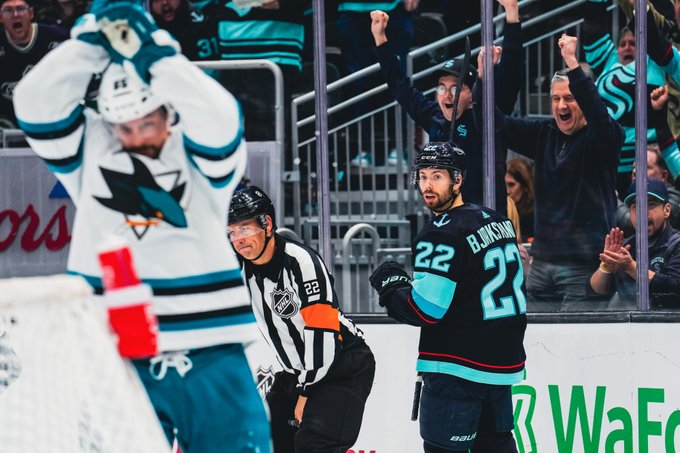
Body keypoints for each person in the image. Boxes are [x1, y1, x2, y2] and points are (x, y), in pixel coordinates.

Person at [13, 3, 271, 452]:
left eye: (146, 123)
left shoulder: (202, 159)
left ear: (169, 112)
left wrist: (154, 54)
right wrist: (91, 43)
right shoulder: (91, 151)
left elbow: (222, 116)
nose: (134, 136)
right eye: (124, 126)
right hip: (114, 356)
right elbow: (34, 103)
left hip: (211, 351)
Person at [369, 142, 527, 453]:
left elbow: (425, 310)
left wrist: (391, 287)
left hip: (456, 368)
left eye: (438, 176)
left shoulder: (440, 232)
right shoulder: (497, 220)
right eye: (422, 176)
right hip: (501, 364)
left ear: (458, 180)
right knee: (495, 446)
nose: (427, 186)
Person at [228, 185, 375, 453]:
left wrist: (306, 392)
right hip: (294, 373)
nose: (239, 239)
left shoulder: (301, 262)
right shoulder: (239, 272)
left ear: (267, 223)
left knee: (311, 445)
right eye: (232, 232)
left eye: (245, 228)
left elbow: (323, 333)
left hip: (342, 365)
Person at [483, 34, 624, 306]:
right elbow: (493, 123)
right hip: (542, 264)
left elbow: (599, 115)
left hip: (585, 267)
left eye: (570, 98)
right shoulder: (544, 133)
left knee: (581, 345)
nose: (561, 106)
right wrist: (483, 78)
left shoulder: (604, 137)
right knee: (536, 344)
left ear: (584, 99)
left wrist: (572, 62)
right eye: (556, 98)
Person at [370, 0, 523, 215]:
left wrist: (511, 13)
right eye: (441, 88)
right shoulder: (434, 118)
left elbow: (512, 75)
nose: (447, 95)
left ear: (473, 95)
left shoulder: (488, 118)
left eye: (456, 88)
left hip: (486, 223)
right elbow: (400, 87)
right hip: (447, 224)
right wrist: (380, 40)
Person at [582, 0, 680, 198]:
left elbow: (653, 39)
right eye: (622, 44)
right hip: (609, 164)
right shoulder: (608, 62)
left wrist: (638, 6)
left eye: (633, 43)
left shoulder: (654, 62)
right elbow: (592, 31)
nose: (627, 48)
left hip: (650, 163)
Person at [591, 178, 680, 309]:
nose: (642, 211)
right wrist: (606, 265)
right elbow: (595, 292)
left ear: (666, 210)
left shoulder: (676, 243)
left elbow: (676, 285)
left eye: (650, 204)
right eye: (635, 206)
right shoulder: (625, 246)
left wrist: (631, 268)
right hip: (629, 325)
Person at [0, 0, 67, 128]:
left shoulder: (57, 36)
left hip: (51, 117)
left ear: (31, 13)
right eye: (8, 10)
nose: (15, 14)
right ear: (0, 17)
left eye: (20, 9)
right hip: (9, 123)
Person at [505, 157, 535, 242]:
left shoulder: (535, 216)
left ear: (525, 186)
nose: (507, 191)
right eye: (504, 185)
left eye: (511, 185)